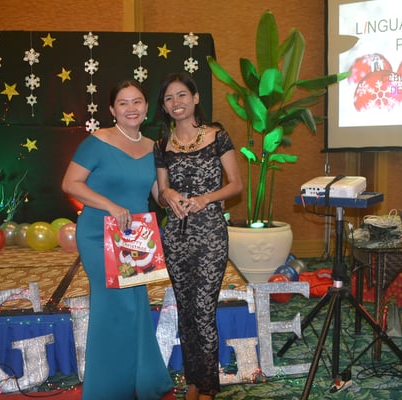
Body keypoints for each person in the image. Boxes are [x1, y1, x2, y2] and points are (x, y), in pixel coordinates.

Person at [62, 80, 175, 400]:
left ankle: (143, 378)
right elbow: (70, 184)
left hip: (135, 237)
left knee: (136, 306)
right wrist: (110, 206)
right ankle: (109, 388)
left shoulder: (154, 147)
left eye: (137, 101)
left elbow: (158, 194)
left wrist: (175, 198)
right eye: (123, 103)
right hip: (99, 235)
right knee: (114, 307)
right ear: (112, 109)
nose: (131, 108)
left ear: (147, 107)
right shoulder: (97, 142)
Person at [154, 72, 243, 400]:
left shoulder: (217, 135)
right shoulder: (161, 144)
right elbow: (161, 194)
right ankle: (195, 381)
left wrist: (206, 198)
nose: (176, 102)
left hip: (210, 234)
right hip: (175, 236)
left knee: (204, 310)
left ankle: (207, 387)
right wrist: (168, 194)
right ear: (164, 106)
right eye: (168, 98)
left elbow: (236, 185)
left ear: (195, 98)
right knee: (186, 310)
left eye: (181, 95)